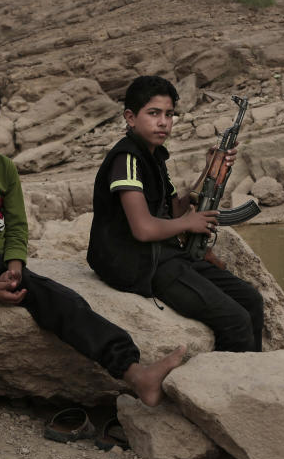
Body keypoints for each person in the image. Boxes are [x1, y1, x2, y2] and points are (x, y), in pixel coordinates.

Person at [0, 72, 185, 459]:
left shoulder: (4, 168)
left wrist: (13, 267)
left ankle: (136, 373)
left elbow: (17, 227)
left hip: (0, 266)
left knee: (65, 303)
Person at [87, 75, 264, 353]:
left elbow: (176, 209)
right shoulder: (127, 160)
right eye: (154, 113)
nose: (163, 122)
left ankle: (254, 377)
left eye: (169, 114)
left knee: (251, 299)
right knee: (235, 320)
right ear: (130, 118)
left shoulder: (155, 157)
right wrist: (188, 223)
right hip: (137, 262)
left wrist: (210, 169)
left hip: (163, 253)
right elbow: (143, 229)